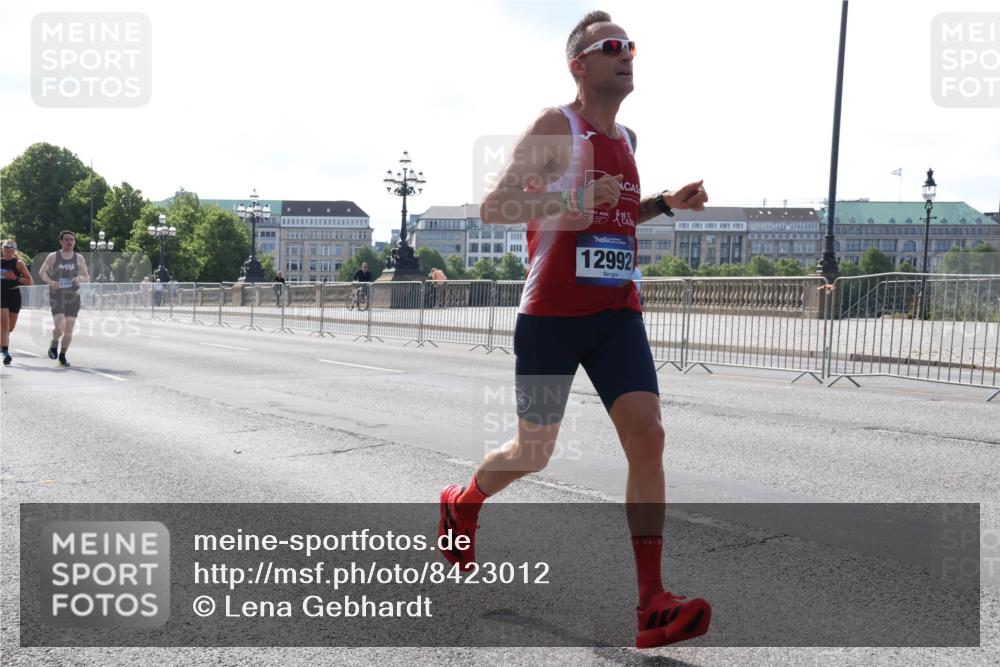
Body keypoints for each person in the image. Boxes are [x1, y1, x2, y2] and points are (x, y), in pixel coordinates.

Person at [436, 11, 711, 649]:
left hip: (617, 314)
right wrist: (573, 202)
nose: (626, 54)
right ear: (578, 65)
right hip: (550, 318)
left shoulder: (631, 138)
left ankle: (651, 605)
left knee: (649, 438)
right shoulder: (555, 126)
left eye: (631, 45)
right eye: (610, 47)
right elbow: (496, 205)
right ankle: (465, 499)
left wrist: (666, 202)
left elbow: (615, 213)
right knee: (533, 453)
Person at [39, 230, 90, 367]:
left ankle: (62, 355)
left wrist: (80, 278)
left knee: (69, 328)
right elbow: (42, 272)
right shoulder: (53, 256)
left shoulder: (79, 258)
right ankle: (54, 343)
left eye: (71, 240)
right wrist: (51, 282)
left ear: (74, 242)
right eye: (66, 239)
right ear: (61, 241)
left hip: (73, 296)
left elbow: (86, 276)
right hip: (57, 295)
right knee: (60, 327)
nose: (69, 242)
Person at [1, 240, 33, 366]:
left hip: (14, 295)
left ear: (14, 251)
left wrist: (15, 278)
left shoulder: (19, 263)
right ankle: (5, 353)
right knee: (4, 323)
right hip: (1, 295)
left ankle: (3, 341)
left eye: (10, 250)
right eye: (6, 250)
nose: (8, 252)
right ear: (2, 250)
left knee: (10, 328)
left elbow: (30, 281)